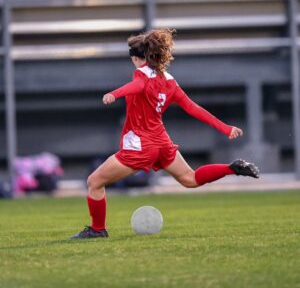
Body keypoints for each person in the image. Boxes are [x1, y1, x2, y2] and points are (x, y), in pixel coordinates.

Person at [71, 28, 259, 239]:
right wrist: (226, 128)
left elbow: (137, 85)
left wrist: (114, 94)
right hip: (162, 143)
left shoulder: (140, 74)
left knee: (94, 181)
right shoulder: (169, 80)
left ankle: (98, 229)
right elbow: (193, 108)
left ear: (136, 58)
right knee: (190, 179)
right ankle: (232, 168)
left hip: (141, 145)